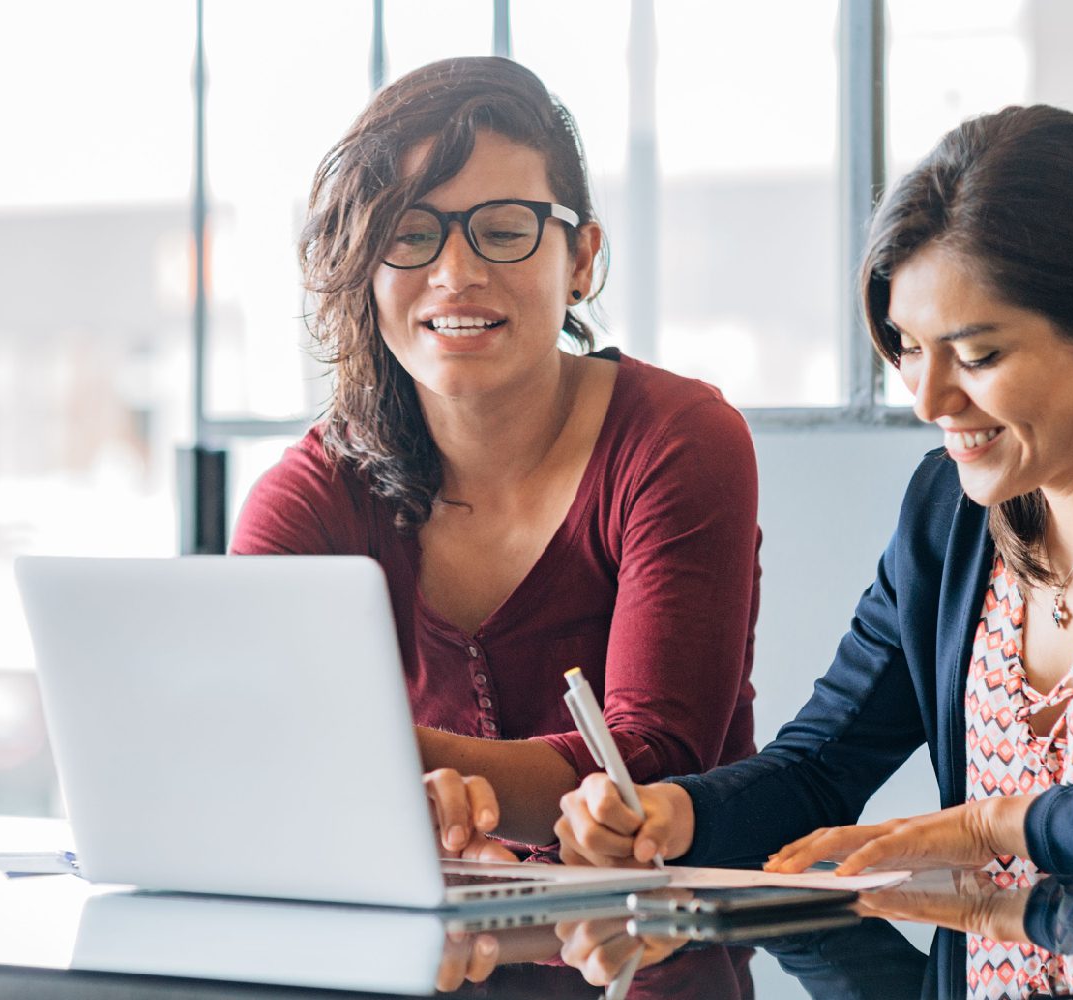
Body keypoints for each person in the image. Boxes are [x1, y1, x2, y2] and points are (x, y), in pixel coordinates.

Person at [547, 105, 1073, 890]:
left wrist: (999, 824)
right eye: (909, 349)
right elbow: (821, 767)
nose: (929, 401)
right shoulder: (950, 511)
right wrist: (678, 813)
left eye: (978, 355)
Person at [230, 57, 761, 858]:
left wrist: (383, 773)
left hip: (661, 948)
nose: (456, 274)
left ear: (580, 260)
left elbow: (649, 761)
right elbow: (247, 742)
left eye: (505, 229)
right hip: (424, 958)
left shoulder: (679, 439)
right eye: (410, 234)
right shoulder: (312, 493)